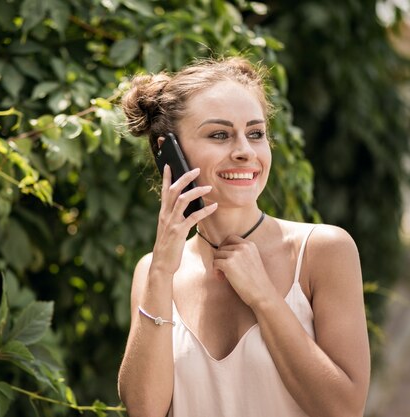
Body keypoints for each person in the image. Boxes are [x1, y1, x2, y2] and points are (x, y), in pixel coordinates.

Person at [117, 56, 371, 417]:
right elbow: (144, 410)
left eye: (255, 133)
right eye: (220, 134)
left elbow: (344, 410)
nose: (245, 151)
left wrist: (264, 296)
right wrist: (160, 273)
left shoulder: (323, 251)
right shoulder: (152, 273)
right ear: (168, 152)